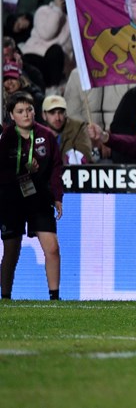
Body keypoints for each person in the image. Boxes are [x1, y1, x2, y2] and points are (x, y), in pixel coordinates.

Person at [1, 92, 64, 300]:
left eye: (29, 109)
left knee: (52, 247)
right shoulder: (6, 138)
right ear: (12, 115)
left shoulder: (46, 135)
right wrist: (22, 171)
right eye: (20, 111)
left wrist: (57, 196)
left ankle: (55, 297)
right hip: (12, 200)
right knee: (11, 251)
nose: (26, 114)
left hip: (39, 199)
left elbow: (56, 167)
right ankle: (6, 297)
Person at [42, 95, 93, 164]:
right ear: (44, 115)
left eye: (61, 112)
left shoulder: (78, 128)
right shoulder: (38, 132)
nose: (57, 118)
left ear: (65, 113)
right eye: (52, 113)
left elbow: (84, 156)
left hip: (71, 172)